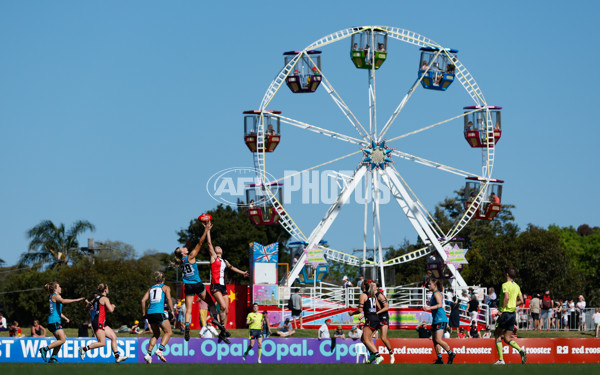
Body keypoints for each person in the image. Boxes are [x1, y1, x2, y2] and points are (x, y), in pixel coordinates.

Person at [173, 221, 228, 342]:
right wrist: (206, 230)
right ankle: (215, 320)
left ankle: (187, 326)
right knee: (211, 304)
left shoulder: (180, 260)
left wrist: (190, 238)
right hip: (197, 284)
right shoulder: (191, 256)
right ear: (183, 252)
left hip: (187, 286)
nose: (185, 247)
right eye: (183, 248)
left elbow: (186, 247)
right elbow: (200, 243)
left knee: (188, 310)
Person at [207, 224, 249, 336]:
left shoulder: (224, 261)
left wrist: (243, 273)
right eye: (217, 247)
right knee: (223, 307)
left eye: (220, 247)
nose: (218, 247)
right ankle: (216, 321)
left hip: (223, 286)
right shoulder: (213, 257)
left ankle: (223, 331)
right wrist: (207, 230)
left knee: (227, 311)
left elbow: (232, 268)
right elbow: (209, 243)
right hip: (215, 285)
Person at [78, 283, 128, 363]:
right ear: (105, 290)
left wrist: (92, 306)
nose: (108, 290)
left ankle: (117, 357)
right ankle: (83, 349)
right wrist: (113, 306)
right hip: (98, 322)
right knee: (102, 343)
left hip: (100, 321)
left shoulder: (96, 298)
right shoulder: (105, 298)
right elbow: (111, 310)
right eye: (107, 288)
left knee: (113, 337)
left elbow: (88, 306)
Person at [38, 282, 85, 363]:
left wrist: (65, 318)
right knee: (62, 340)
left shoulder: (52, 296)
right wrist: (76, 300)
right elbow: (63, 301)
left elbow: (57, 311)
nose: (61, 288)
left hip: (52, 321)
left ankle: (53, 358)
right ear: (55, 289)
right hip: (54, 321)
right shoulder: (56, 296)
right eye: (59, 286)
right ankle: (44, 349)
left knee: (59, 340)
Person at [493, 267, 527, 365]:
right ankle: (521, 350)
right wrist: (512, 305)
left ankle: (501, 360)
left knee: (498, 335)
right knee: (507, 338)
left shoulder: (505, 285)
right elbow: (521, 301)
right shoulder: (517, 286)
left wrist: (501, 310)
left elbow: (506, 297)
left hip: (506, 313)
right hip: (512, 314)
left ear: (507, 274)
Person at [140, 271, 174, 364]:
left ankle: (148, 354)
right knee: (169, 332)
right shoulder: (166, 287)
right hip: (159, 312)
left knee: (156, 334)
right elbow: (169, 299)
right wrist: (172, 311)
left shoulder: (150, 288)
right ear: (163, 279)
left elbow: (143, 300)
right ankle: (160, 350)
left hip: (150, 313)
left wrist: (144, 313)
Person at [348, 282, 383, 364]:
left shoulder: (363, 295)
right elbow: (379, 308)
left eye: (361, 285)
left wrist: (352, 313)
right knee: (364, 338)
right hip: (376, 319)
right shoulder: (373, 296)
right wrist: (372, 313)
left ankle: (378, 355)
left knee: (366, 339)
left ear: (364, 286)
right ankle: (372, 355)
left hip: (370, 319)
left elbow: (360, 310)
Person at [423, 279, 456, 364]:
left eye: (430, 284)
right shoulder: (434, 294)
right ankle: (440, 359)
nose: (429, 286)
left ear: (435, 285)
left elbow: (440, 305)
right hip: (435, 319)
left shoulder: (437, 293)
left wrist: (429, 308)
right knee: (434, 340)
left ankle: (451, 353)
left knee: (437, 339)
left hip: (440, 319)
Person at [374, 280, 395, 363]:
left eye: (373, 285)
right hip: (376, 317)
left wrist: (377, 313)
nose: (371, 286)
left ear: (377, 287)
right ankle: (375, 355)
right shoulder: (372, 295)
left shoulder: (380, 295)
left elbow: (386, 307)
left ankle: (391, 354)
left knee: (383, 337)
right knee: (368, 336)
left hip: (383, 317)